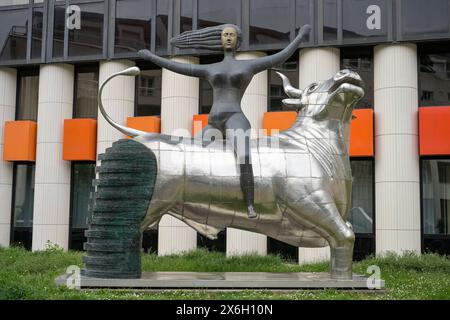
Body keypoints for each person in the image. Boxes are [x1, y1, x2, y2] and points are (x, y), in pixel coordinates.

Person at [138, 24, 311, 219]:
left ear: (238, 40)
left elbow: (281, 55)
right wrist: (152, 58)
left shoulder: (248, 65)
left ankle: (249, 204)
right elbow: (180, 67)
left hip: (235, 118)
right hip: (213, 121)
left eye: (231, 35)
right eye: (224, 35)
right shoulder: (212, 67)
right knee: (189, 154)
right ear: (220, 40)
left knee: (244, 158)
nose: (228, 38)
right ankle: (188, 197)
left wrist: (301, 37)